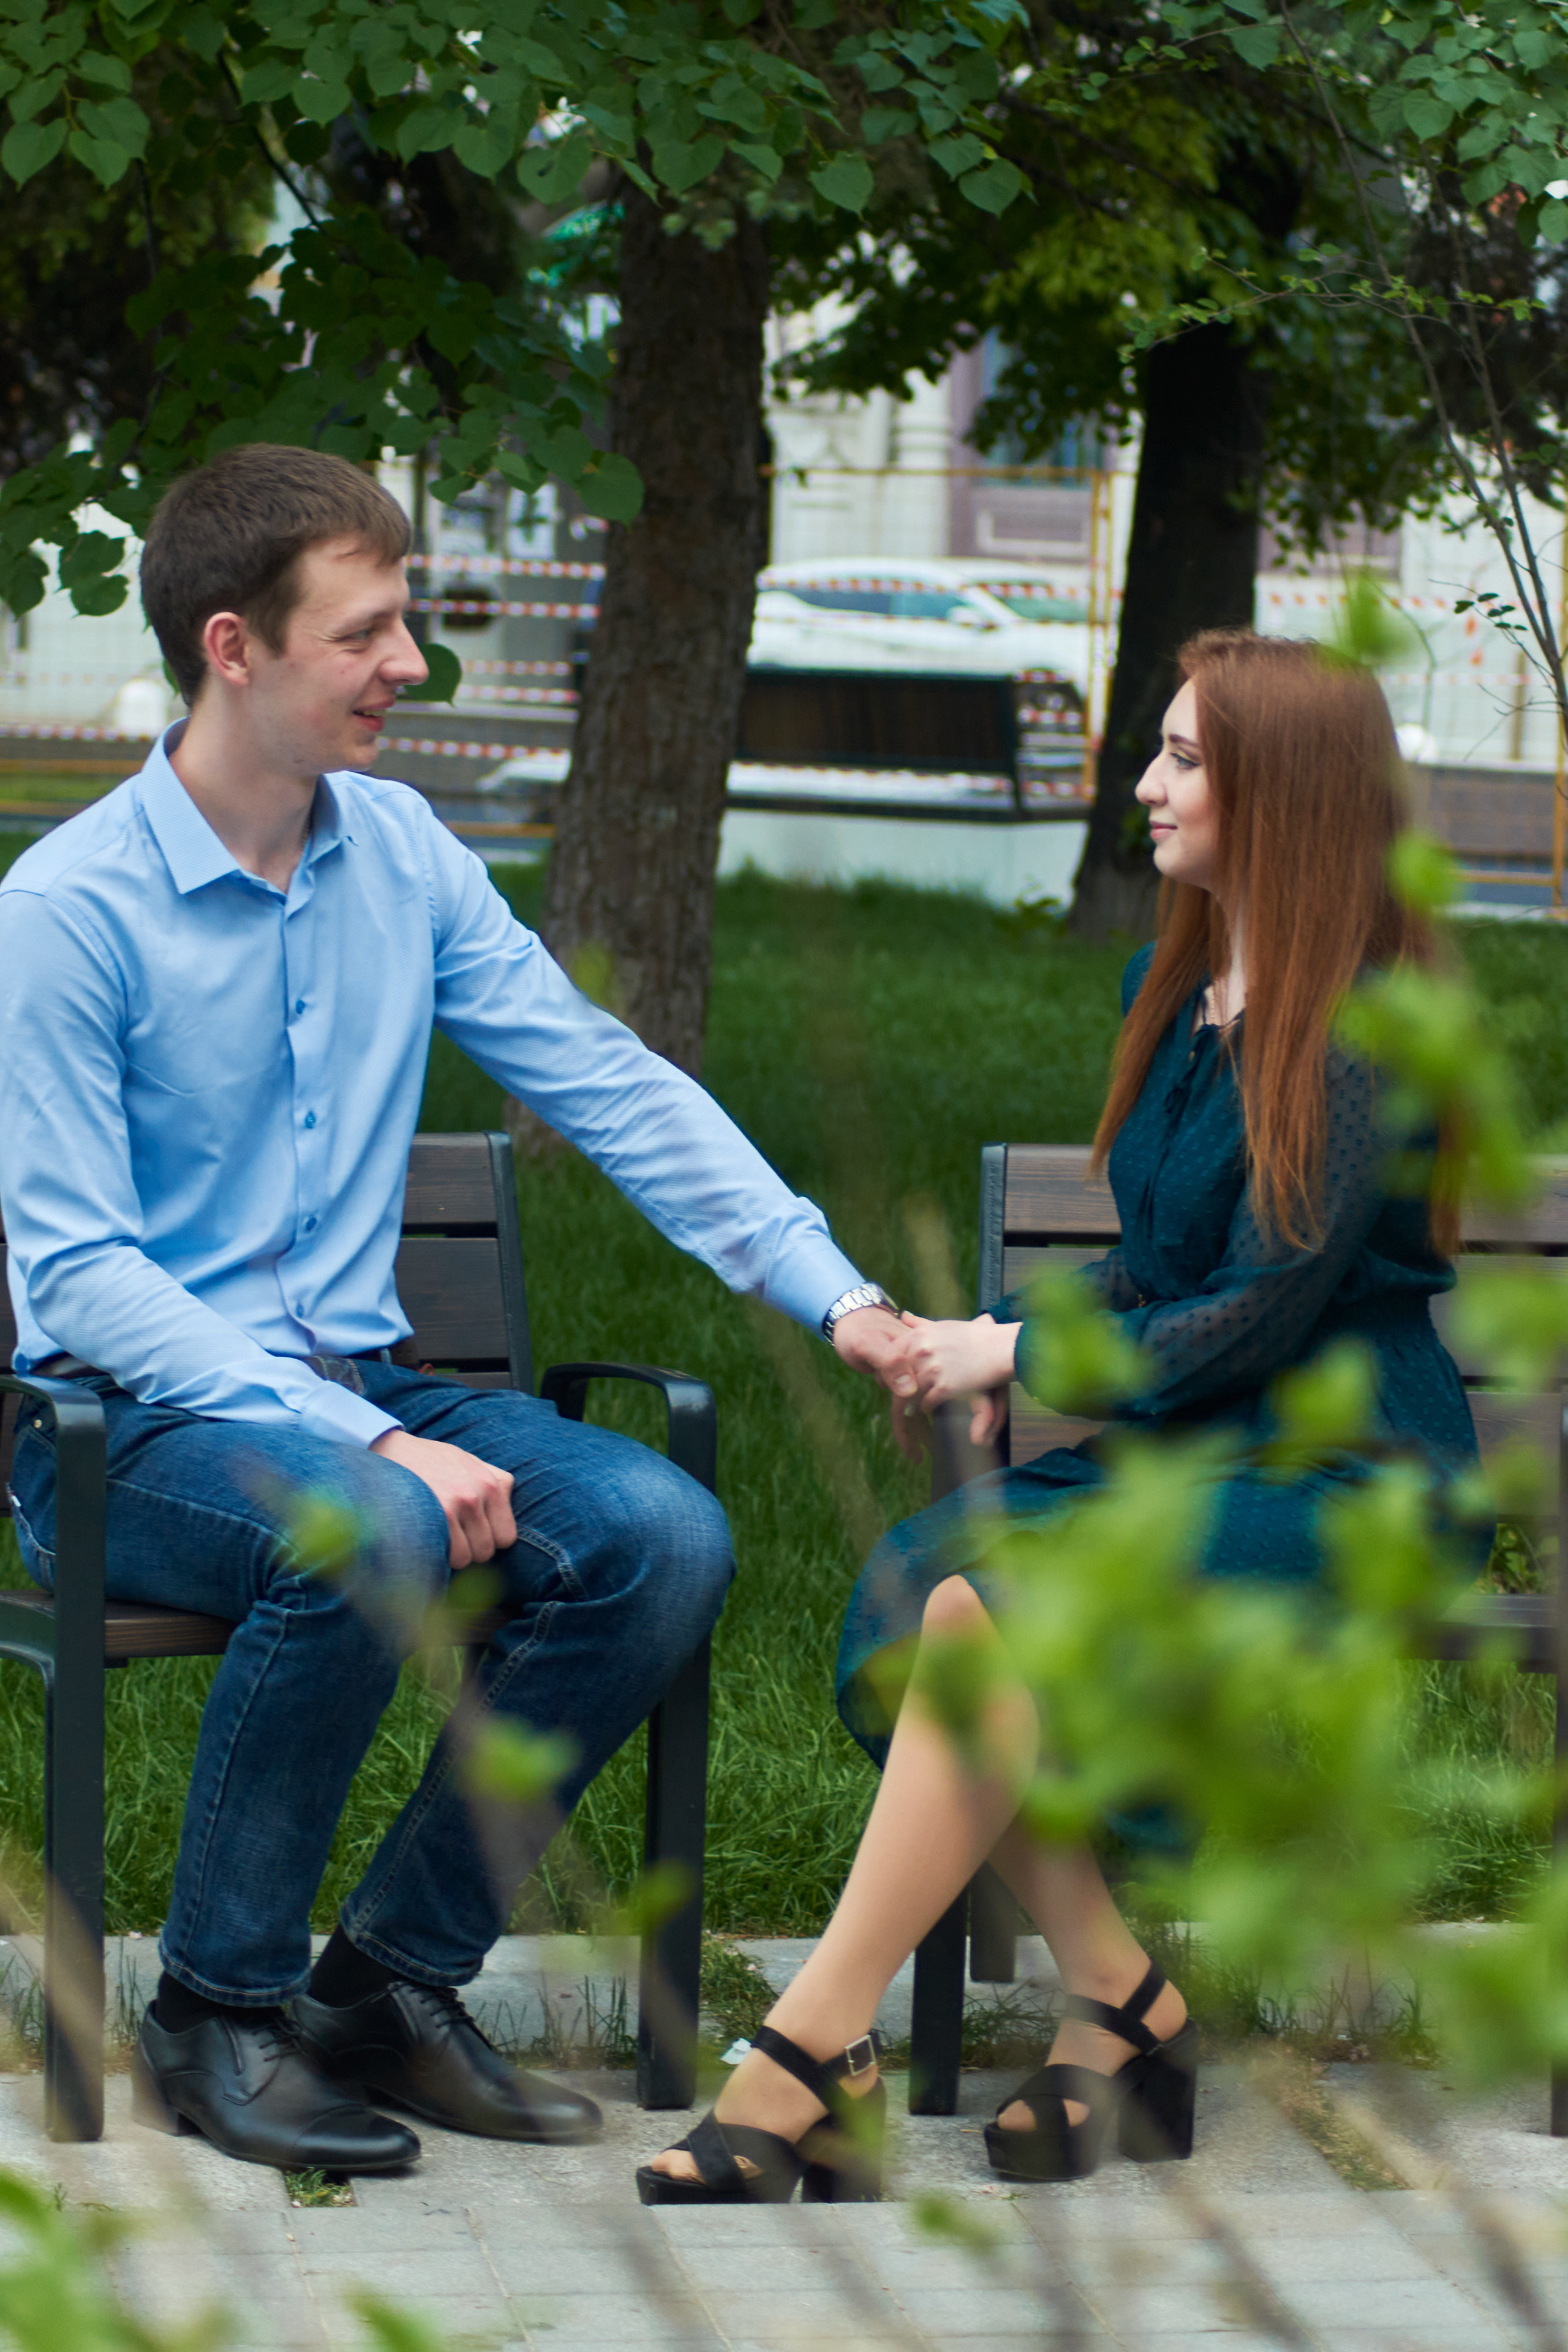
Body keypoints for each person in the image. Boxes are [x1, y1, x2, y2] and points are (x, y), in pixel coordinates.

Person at [0, 443, 913, 2177]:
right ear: (233, 648)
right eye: (370, 632)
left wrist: (843, 1298)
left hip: (361, 1378)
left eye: (406, 621)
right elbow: (81, 1276)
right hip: (121, 1429)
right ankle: (218, 2005)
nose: (411, 665)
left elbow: (610, 1084)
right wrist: (374, 1440)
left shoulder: (401, 854)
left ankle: (388, 1985)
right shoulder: (65, 916)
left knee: (663, 1531)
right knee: (364, 1524)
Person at [640, 628, 1489, 2204]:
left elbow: (1263, 1300)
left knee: (994, 1607)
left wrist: (1005, 1360)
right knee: (922, 1598)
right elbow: (1159, 1266)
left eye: (1180, 759)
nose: (1144, 783)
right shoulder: (1176, 988)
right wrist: (987, 1330)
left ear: (1283, 793)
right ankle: (1124, 2004)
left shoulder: (1370, 1024)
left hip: (1343, 1470)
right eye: (1155, 750)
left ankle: (807, 2051)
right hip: (1193, 1449)